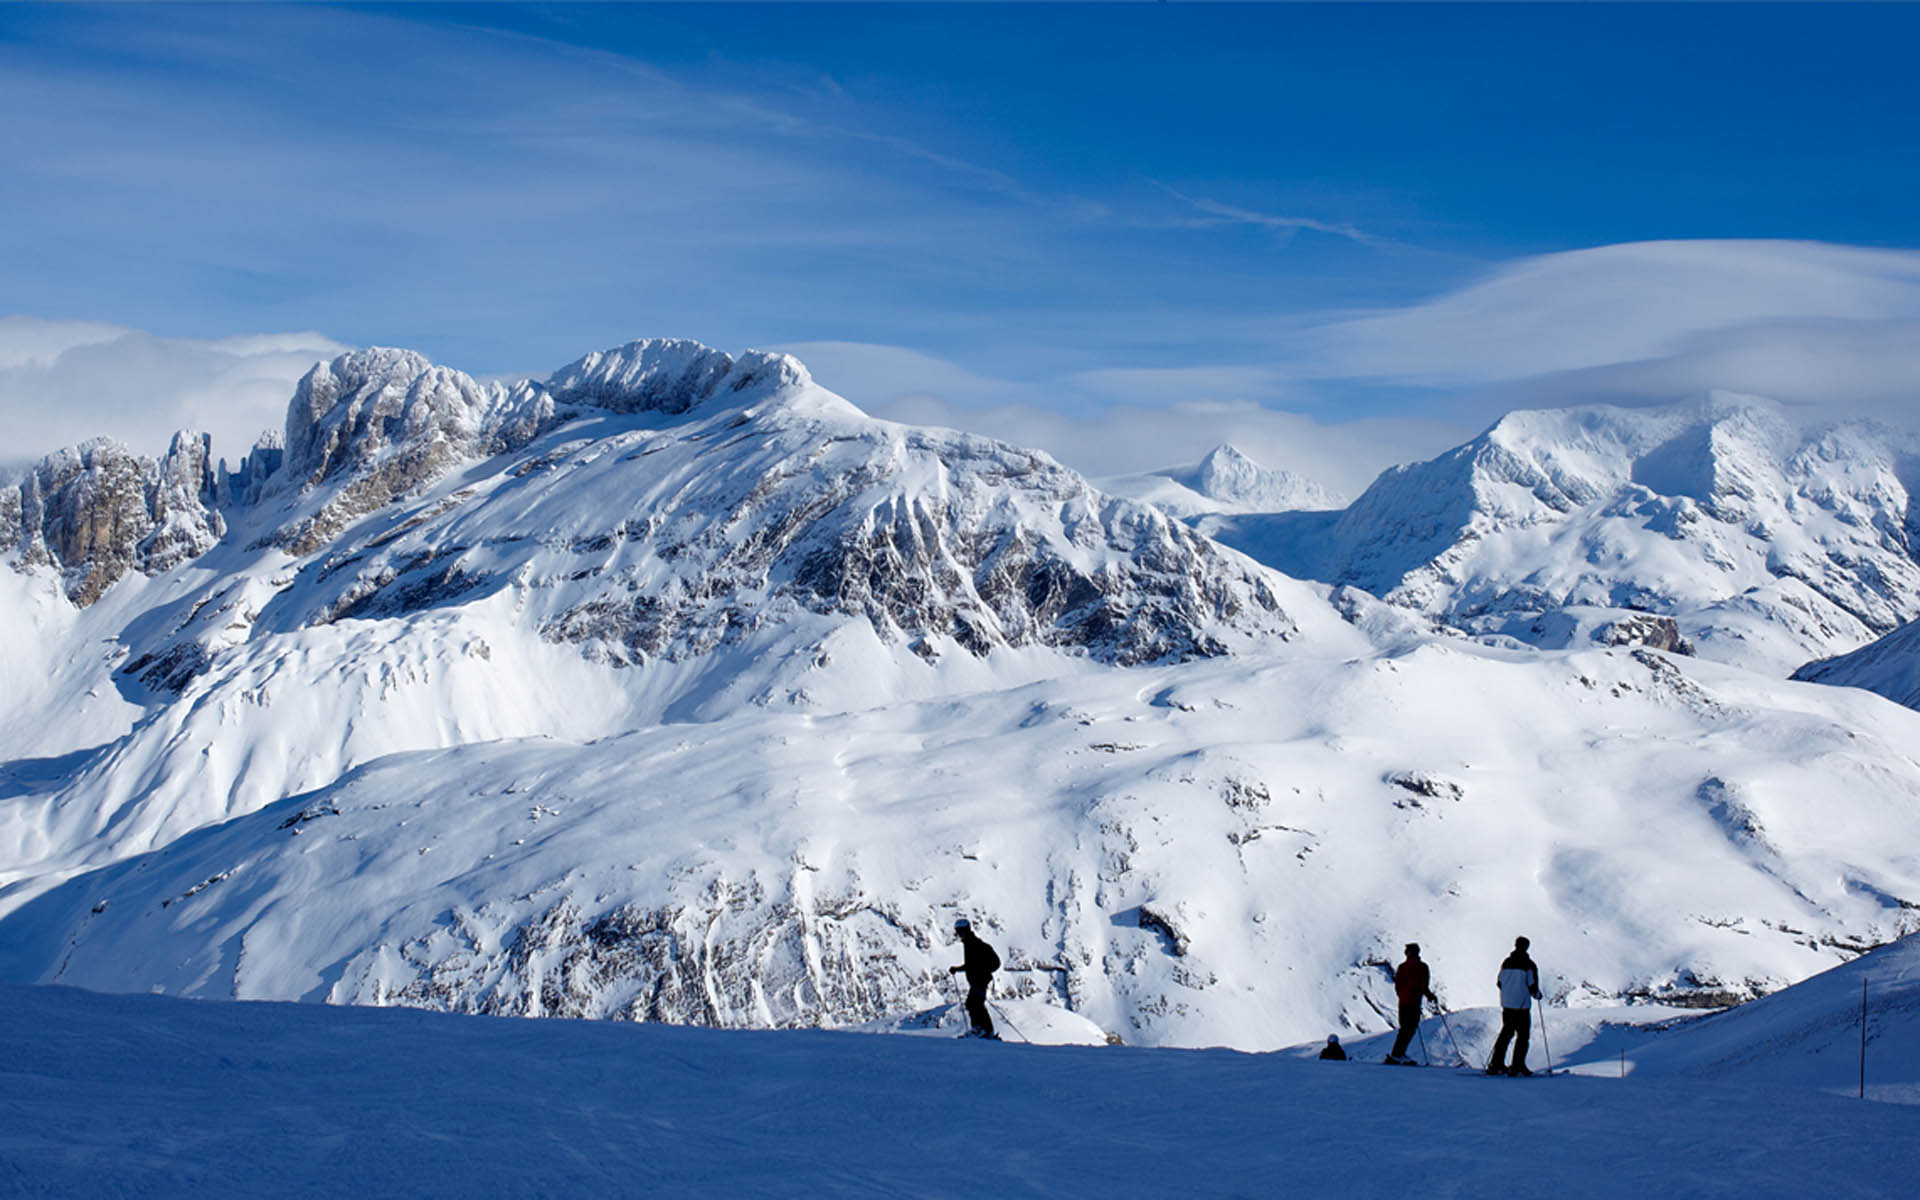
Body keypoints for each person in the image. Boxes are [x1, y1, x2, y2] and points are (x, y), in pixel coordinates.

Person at [1487, 936, 1543, 1076]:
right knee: (1523, 1036)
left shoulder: (1506, 962)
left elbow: (1499, 983)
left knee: (1506, 1034)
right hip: (1522, 1006)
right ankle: (1517, 1065)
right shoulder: (1529, 964)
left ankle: (1496, 1064)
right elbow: (1532, 985)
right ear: (1527, 947)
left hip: (1507, 1005)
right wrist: (1537, 995)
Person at [1385, 942, 1439, 1064]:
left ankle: (1397, 1053)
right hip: (1414, 1002)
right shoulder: (1422, 967)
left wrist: (1402, 995)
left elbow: (1398, 985)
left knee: (1404, 1028)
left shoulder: (1402, 967)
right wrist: (1430, 996)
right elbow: (1423, 985)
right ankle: (1397, 1054)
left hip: (1403, 1002)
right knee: (1410, 1029)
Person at [948, 917, 1001, 1039]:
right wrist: (957, 969)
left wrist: (979, 971)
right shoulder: (970, 943)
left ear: (966, 930)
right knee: (974, 1003)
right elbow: (971, 965)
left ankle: (981, 1030)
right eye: (958, 932)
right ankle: (984, 1030)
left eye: (961, 931)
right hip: (978, 979)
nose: (959, 934)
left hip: (980, 979)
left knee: (974, 1004)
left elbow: (974, 965)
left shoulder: (973, 944)